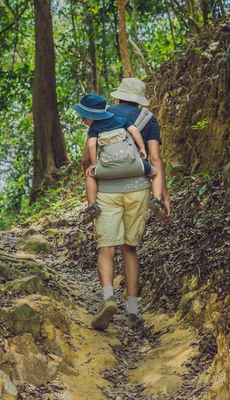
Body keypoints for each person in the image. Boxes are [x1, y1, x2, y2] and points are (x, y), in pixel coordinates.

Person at [80, 78, 171, 330]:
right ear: (140, 99)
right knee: (129, 249)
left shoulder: (104, 115)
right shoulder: (148, 119)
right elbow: (155, 158)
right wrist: (162, 194)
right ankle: (132, 309)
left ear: (118, 97)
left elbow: (88, 158)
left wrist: (89, 179)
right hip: (139, 189)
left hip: (107, 191)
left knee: (106, 248)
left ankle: (108, 298)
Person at [71, 93, 166, 224]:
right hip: (135, 165)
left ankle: (92, 206)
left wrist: (93, 164)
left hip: (106, 168)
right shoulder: (120, 120)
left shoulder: (95, 128)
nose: (82, 119)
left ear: (91, 116)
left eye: (83, 116)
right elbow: (134, 131)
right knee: (157, 174)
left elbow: (91, 145)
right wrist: (142, 148)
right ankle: (156, 199)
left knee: (90, 176)